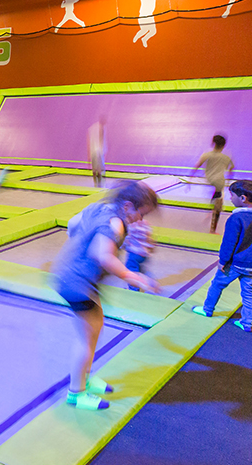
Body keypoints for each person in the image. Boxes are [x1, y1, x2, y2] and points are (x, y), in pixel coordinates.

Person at [54, 181, 159, 410]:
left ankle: (85, 378)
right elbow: (103, 256)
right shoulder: (116, 223)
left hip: (78, 278)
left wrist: (78, 248)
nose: (140, 220)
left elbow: (72, 224)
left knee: (96, 327)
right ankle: (76, 393)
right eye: (141, 214)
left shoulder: (98, 207)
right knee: (86, 338)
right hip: (76, 283)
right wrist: (135, 277)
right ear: (129, 206)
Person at [192, 180, 252, 331]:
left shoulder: (236, 218)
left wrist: (223, 261)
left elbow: (229, 242)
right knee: (248, 292)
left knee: (217, 284)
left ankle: (208, 309)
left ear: (243, 198)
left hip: (235, 263)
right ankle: (247, 322)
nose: (230, 199)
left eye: (232, 196)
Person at [193, 135, 235, 233]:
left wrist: (191, 177)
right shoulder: (226, 156)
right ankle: (213, 229)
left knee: (216, 195)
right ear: (224, 145)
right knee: (218, 206)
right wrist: (229, 179)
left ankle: (212, 208)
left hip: (209, 180)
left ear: (213, 143)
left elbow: (197, 165)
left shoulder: (206, 154)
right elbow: (231, 168)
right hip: (219, 182)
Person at [122, 218, 154, 291]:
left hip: (133, 253)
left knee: (131, 271)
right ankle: (147, 280)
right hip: (143, 254)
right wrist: (150, 247)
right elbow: (149, 237)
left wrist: (122, 245)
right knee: (139, 269)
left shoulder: (132, 224)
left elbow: (128, 236)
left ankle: (133, 289)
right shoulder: (145, 223)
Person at [88, 119, 106, 187]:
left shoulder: (92, 128)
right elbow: (101, 139)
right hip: (97, 151)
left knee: (95, 168)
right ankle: (98, 183)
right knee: (98, 168)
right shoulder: (100, 128)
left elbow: (89, 140)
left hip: (94, 151)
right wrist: (103, 150)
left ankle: (96, 183)